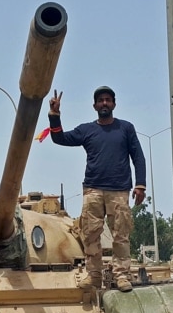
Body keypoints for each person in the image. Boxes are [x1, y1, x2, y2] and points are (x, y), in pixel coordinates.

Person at [46, 86, 147, 292]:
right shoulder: (87, 130)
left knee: (121, 235)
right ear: (94, 106)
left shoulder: (125, 128)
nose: (104, 103)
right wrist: (54, 115)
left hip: (119, 190)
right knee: (90, 235)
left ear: (114, 104)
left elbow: (138, 157)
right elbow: (59, 138)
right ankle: (93, 276)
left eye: (108, 100)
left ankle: (121, 276)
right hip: (92, 190)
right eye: (100, 100)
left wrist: (140, 185)